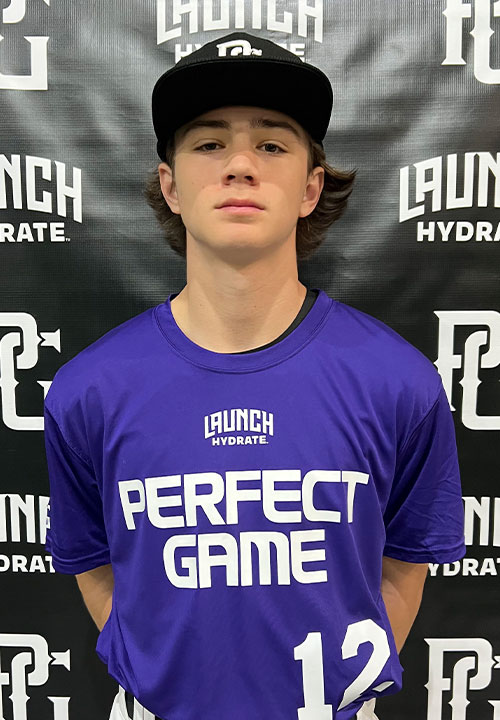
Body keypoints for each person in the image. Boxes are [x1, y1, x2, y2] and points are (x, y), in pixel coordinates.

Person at [43, 31, 466, 720]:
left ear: (310, 187)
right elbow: (92, 562)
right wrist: (160, 678)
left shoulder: (399, 382)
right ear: (171, 186)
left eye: (271, 145)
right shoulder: (89, 390)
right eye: (210, 143)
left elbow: (404, 566)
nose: (240, 165)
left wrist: (328, 695)